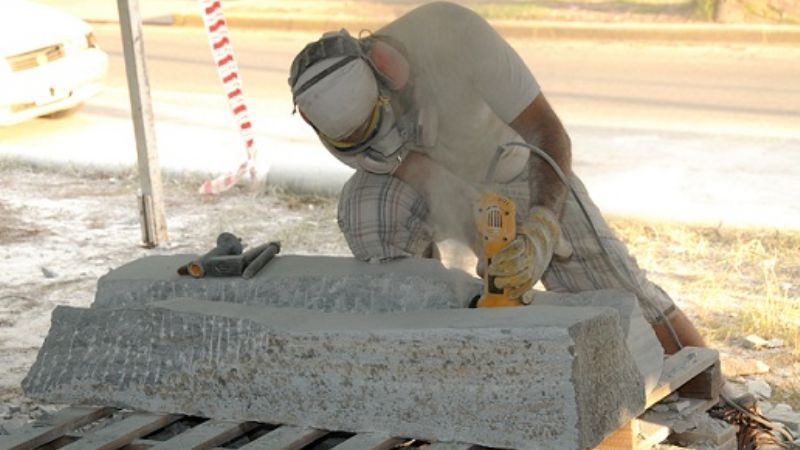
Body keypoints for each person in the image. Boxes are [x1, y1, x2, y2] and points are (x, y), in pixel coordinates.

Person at [288, 1, 704, 354]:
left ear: (387, 70)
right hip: (441, 184)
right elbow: (422, 174)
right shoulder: (335, 118)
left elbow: (547, 130)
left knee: (617, 289)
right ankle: (433, 350)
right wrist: (490, 249)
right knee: (371, 209)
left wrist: (540, 227)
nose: (374, 140)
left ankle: (722, 401)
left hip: (525, 168)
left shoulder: (457, 36)